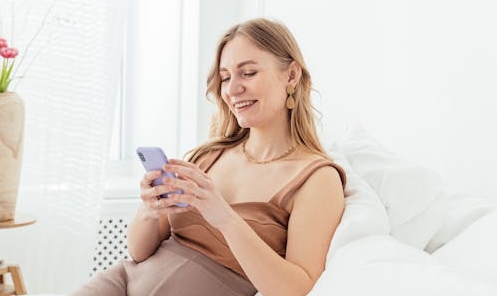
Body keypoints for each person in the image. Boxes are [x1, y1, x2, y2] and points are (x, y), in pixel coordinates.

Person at [71, 18, 347, 296]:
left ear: (291, 76)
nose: (232, 90)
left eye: (248, 73)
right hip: (120, 283)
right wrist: (149, 211)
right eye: (225, 77)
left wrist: (225, 218)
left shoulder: (317, 179)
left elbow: (298, 289)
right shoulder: (209, 156)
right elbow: (139, 253)